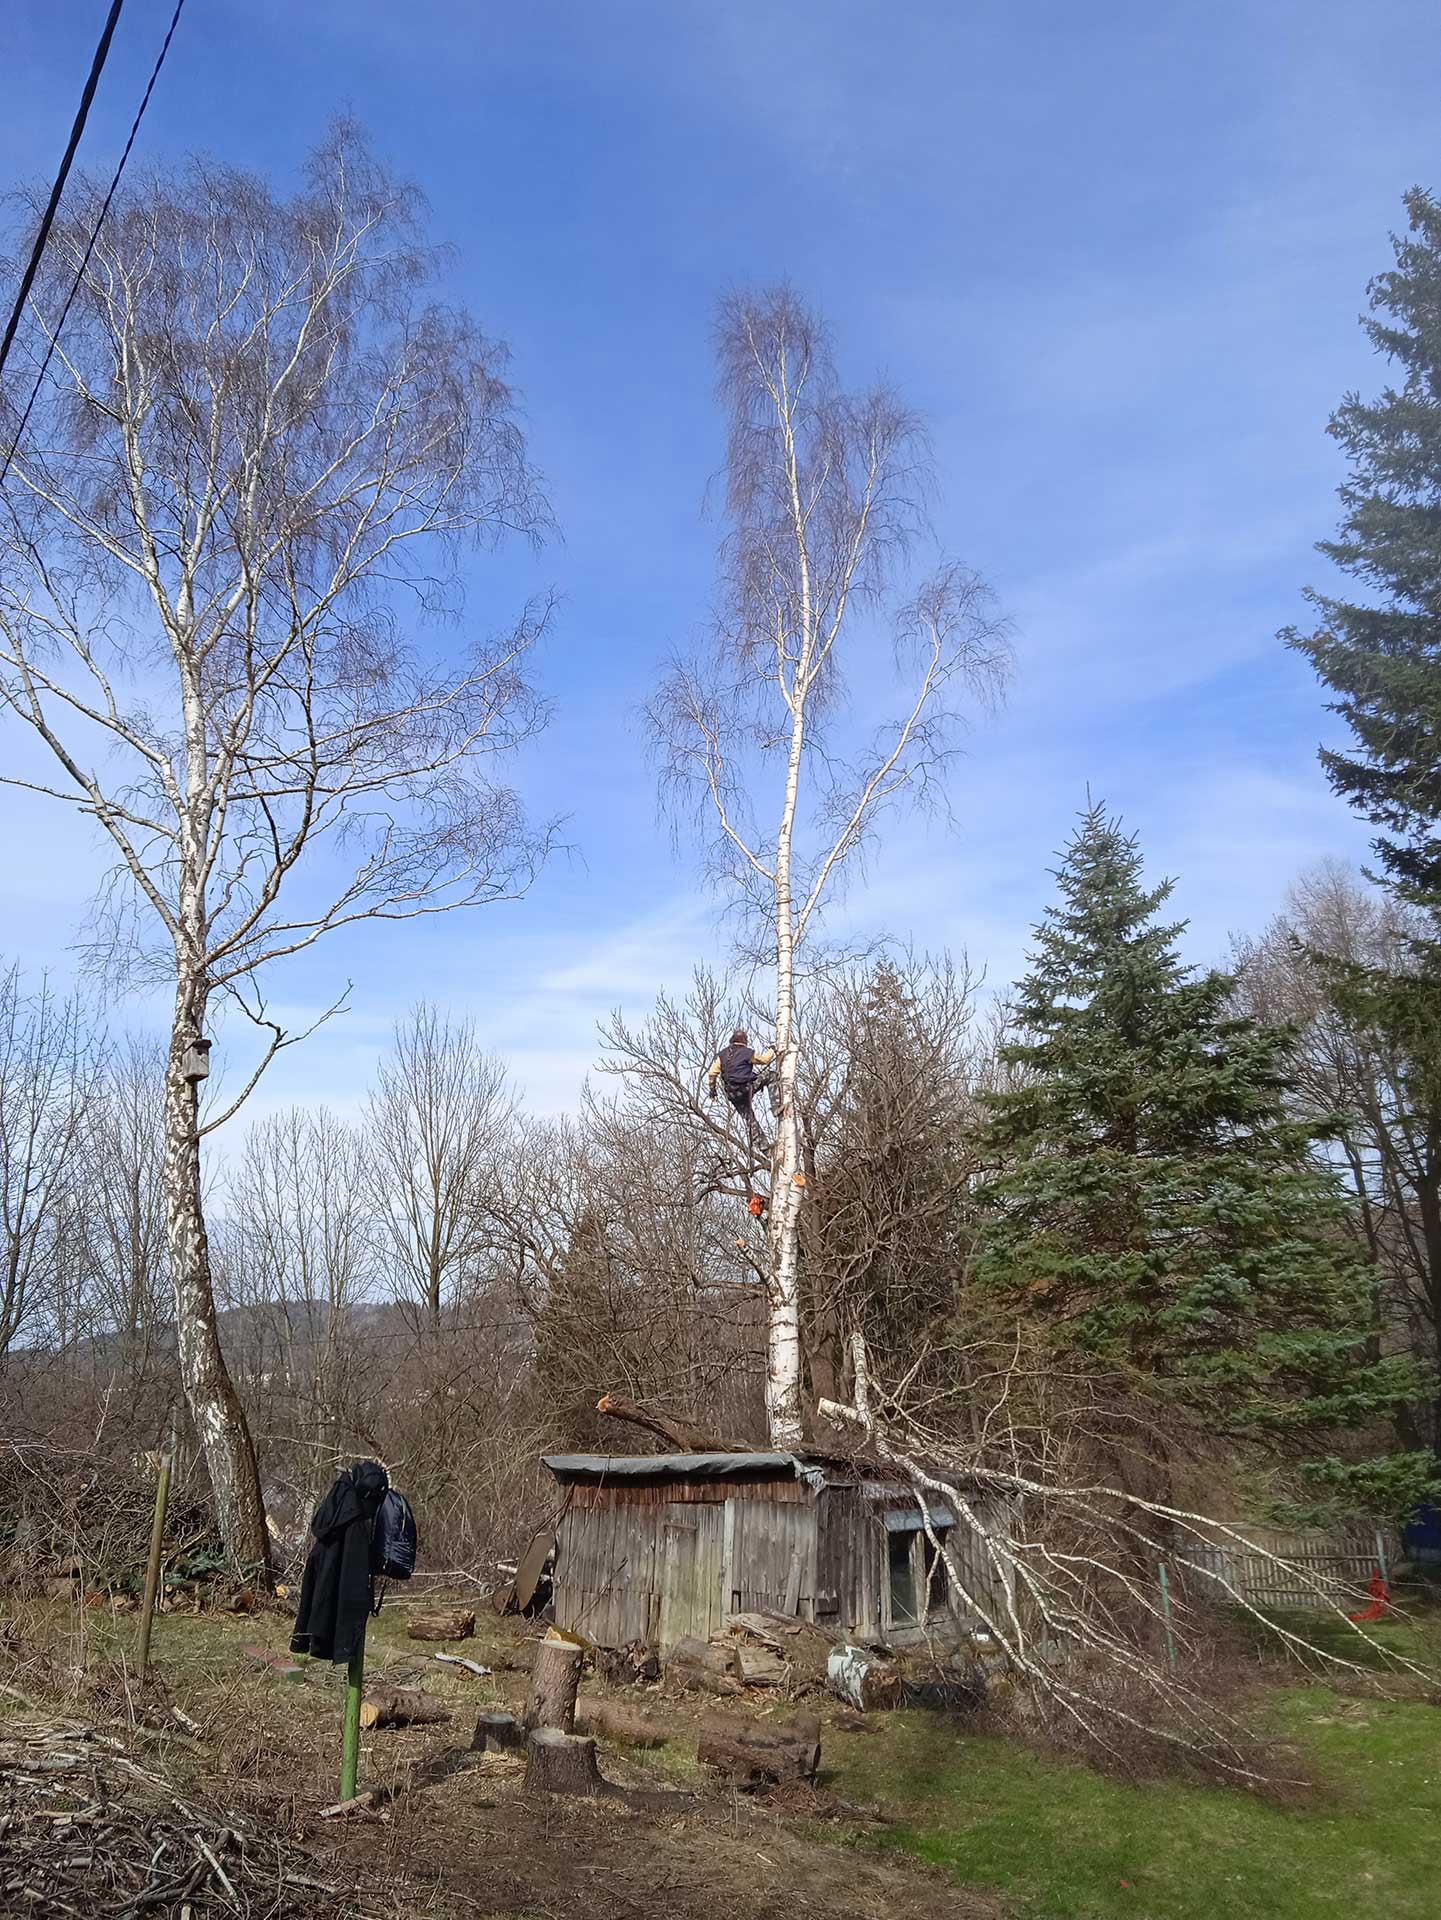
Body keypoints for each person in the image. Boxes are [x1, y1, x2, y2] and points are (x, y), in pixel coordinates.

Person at [707, 1028, 776, 1135]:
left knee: (750, 1120)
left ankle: (762, 1144)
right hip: (746, 1089)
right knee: (771, 1075)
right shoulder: (747, 1053)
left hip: (733, 1095)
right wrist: (772, 1049)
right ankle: (776, 1107)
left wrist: (712, 1089)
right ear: (745, 1040)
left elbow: (712, 1073)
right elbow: (765, 1060)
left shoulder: (722, 1055)